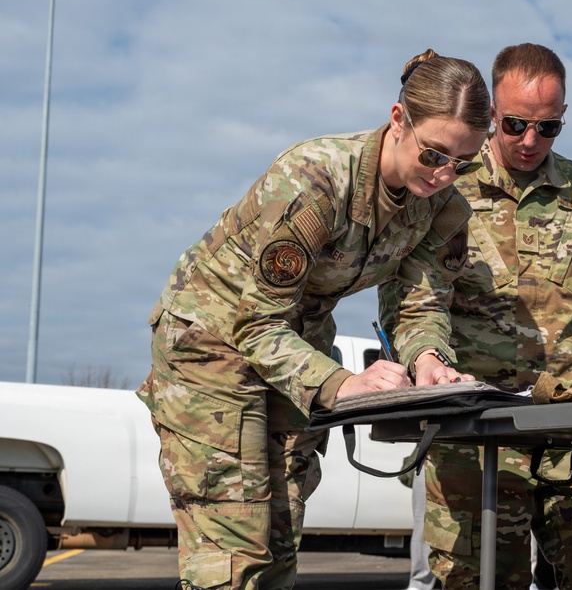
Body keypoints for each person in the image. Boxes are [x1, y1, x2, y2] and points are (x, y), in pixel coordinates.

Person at [136, 49, 491, 590]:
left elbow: (419, 302)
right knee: (234, 547)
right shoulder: (315, 179)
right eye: (434, 155)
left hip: (296, 341)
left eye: (462, 163)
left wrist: (427, 359)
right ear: (399, 120)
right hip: (211, 340)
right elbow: (254, 324)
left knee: (281, 533)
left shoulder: (441, 208)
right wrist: (343, 382)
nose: (445, 175)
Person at [382, 43, 572, 588]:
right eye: (514, 124)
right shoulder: (445, 185)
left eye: (548, 127)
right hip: (477, 432)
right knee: (479, 579)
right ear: (491, 116)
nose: (530, 141)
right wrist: (427, 359)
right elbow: (414, 296)